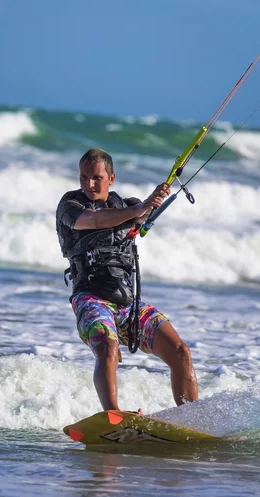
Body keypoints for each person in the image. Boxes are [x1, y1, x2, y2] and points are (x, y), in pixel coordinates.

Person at [56, 148, 198, 411]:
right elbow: (95, 220)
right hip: (91, 298)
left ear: (111, 178)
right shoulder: (70, 205)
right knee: (107, 347)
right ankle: (113, 415)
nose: (89, 184)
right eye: (83, 177)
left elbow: (141, 216)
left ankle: (192, 417)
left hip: (128, 304)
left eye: (96, 178)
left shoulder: (128, 206)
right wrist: (141, 208)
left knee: (181, 352)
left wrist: (151, 203)